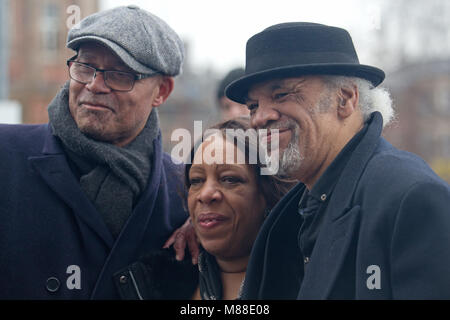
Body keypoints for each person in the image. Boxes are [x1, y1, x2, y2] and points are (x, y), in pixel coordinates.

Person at [223, 22, 450, 299]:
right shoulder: (293, 212)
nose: (260, 117)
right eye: (253, 106)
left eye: (281, 95)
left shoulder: (410, 196)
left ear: (345, 98)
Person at [0, 6, 190, 299]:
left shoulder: (186, 192)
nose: (94, 84)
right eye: (85, 67)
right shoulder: (6, 156)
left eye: (119, 74)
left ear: (161, 91)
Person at [114, 117, 295, 299]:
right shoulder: (153, 282)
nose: (205, 194)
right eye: (196, 181)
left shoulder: (310, 280)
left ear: (270, 193)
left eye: (229, 179)